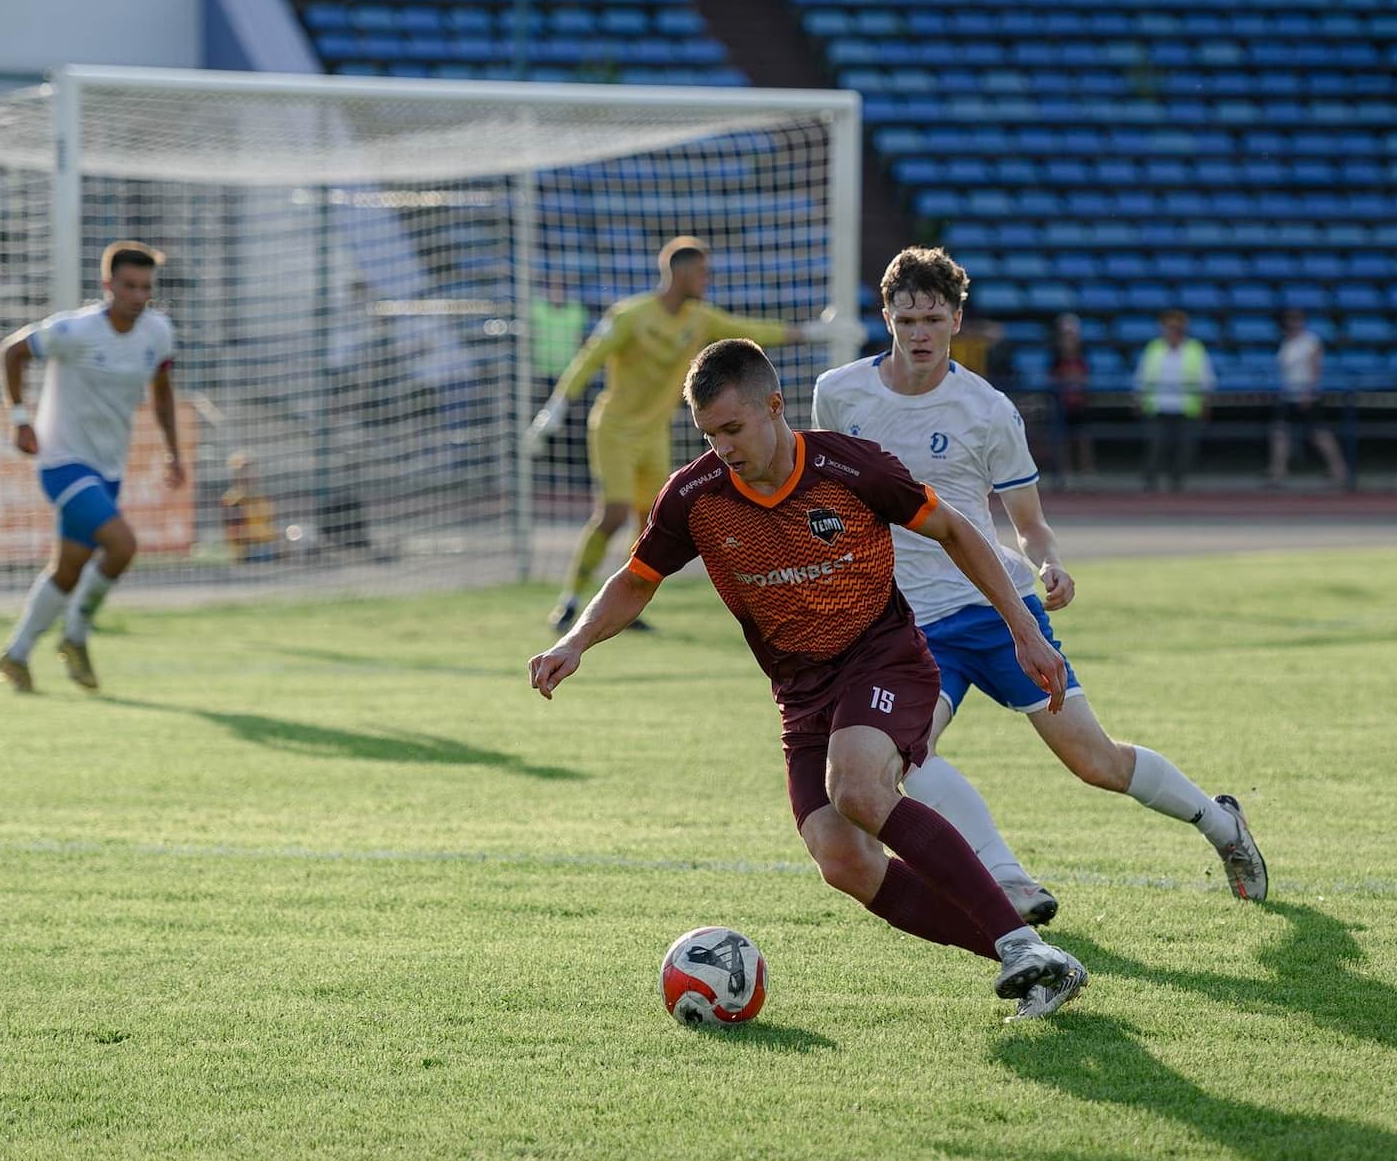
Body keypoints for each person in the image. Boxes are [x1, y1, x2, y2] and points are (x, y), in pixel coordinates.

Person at [528, 339, 1088, 1019]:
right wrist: (577, 640)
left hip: (884, 658)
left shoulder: (846, 468)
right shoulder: (697, 496)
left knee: (856, 787)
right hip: (801, 692)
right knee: (840, 858)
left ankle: (1019, 941)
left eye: (733, 429)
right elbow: (638, 577)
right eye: (710, 434)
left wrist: (1024, 630)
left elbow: (956, 529)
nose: (724, 447)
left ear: (774, 406)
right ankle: (1029, 958)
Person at [814, 248, 1267, 916]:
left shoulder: (987, 409)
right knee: (902, 757)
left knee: (1096, 763)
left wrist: (1048, 563)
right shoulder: (840, 393)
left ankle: (1220, 823)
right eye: (906, 318)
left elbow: (1030, 524)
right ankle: (1011, 881)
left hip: (995, 608)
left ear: (957, 320)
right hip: (906, 627)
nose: (918, 334)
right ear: (884, 317)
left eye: (933, 319)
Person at [523, 236, 830, 631]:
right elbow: (590, 359)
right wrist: (555, 407)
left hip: (654, 434)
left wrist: (812, 332)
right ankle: (571, 600)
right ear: (681, 272)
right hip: (614, 429)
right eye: (703, 271)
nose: (707, 279)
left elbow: (749, 332)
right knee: (613, 514)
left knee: (648, 522)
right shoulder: (630, 315)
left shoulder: (700, 318)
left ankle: (624, 606)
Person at [0, 241, 185, 693]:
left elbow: (162, 391)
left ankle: (16, 655)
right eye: (129, 286)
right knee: (122, 546)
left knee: (69, 569)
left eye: (146, 288)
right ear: (107, 286)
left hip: (108, 468)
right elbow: (11, 352)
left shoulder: (158, 333)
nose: (139, 296)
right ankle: (76, 636)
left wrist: (173, 451)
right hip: (62, 461)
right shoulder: (75, 331)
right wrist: (20, 419)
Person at [1133, 308, 1214, 492]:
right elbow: (1142, 377)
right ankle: (1150, 481)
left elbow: (1206, 379)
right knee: (1155, 446)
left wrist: (1205, 403)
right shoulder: (1154, 348)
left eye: (1177, 327)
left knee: (1184, 448)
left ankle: (1177, 482)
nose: (1173, 331)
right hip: (1157, 406)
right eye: (1169, 327)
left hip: (1186, 408)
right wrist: (1137, 399)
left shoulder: (1195, 349)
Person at [1267, 308, 1348, 488]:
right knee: (1280, 432)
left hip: (1306, 394)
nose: (1293, 323)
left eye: (1296, 319)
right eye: (1290, 319)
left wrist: (1310, 391)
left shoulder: (1310, 341)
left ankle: (1339, 470)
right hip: (1288, 394)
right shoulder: (1286, 343)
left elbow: (1316, 368)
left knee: (1319, 434)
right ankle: (1278, 472)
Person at [1047, 313, 1095, 484]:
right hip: (1062, 403)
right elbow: (1051, 377)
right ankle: (1065, 473)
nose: (1069, 339)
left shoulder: (1084, 354)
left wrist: (1077, 380)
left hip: (1080, 402)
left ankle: (1085, 472)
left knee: (1083, 439)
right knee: (1064, 440)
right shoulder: (1056, 357)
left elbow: (1087, 376)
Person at [222, 452, 279, 563]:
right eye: (244, 471)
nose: (250, 474)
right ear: (236, 474)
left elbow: (269, 522)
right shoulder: (233, 499)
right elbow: (235, 531)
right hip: (248, 552)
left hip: (267, 548)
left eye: (252, 469)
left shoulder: (261, 497)